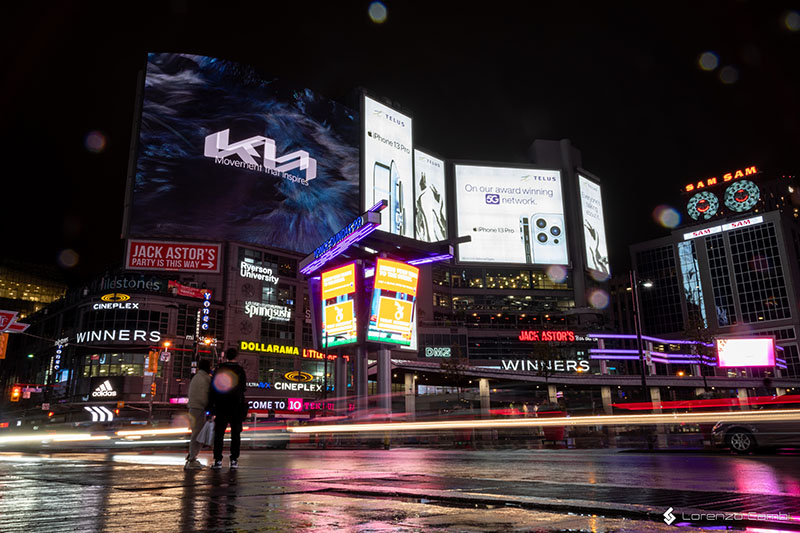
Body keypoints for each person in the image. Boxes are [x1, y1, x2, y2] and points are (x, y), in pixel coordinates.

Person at [209, 348, 247, 469]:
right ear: (236, 356)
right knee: (236, 434)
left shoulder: (220, 369)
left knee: (219, 434)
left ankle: (218, 460)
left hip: (221, 406)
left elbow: (213, 388)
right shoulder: (240, 370)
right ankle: (234, 460)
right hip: (236, 406)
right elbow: (243, 388)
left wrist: (212, 405)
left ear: (225, 356)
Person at [185, 358, 212, 470]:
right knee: (197, 435)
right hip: (199, 409)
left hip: (193, 407)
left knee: (196, 433)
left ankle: (191, 457)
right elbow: (207, 395)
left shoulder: (196, 377)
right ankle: (192, 459)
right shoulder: (206, 379)